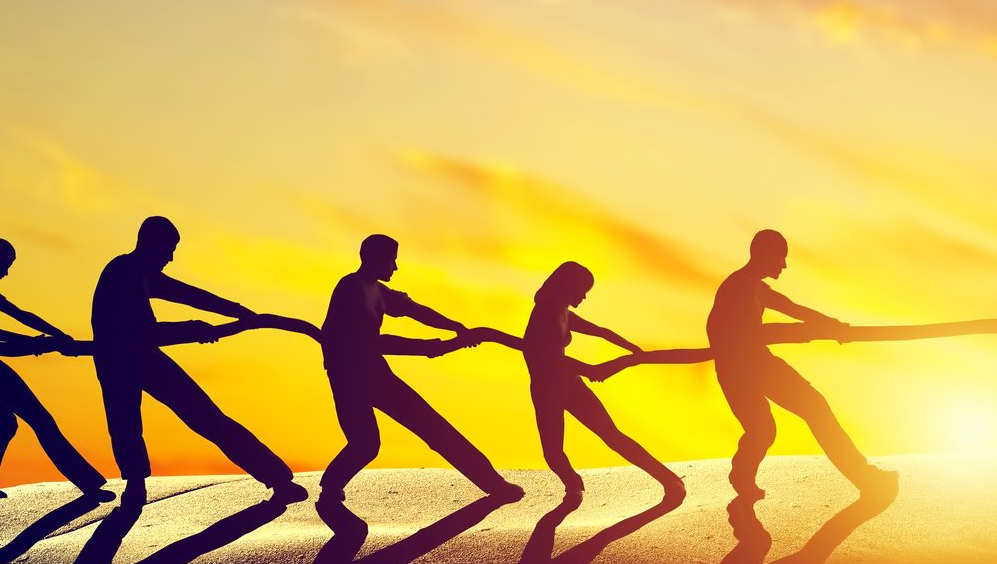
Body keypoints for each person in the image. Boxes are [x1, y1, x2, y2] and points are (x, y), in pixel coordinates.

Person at [90, 215, 304, 503]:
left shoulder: (141, 273)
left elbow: (190, 294)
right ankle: (135, 486)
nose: (171, 257)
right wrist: (193, 329)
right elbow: (139, 332)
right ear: (150, 243)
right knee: (126, 424)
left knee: (206, 416)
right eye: (168, 248)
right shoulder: (124, 272)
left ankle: (277, 477)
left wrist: (237, 311)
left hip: (143, 356)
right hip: (117, 361)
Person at [317, 234, 520, 504]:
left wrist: (455, 327)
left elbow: (415, 310)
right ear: (377, 259)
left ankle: (493, 483)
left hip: (375, 373)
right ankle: (331, 486)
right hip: (349, 379)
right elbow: (366, 342)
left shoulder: (378, 292)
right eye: (392, 261)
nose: (395, 268)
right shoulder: (350, 288)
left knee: (432, 425)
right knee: (365, 445)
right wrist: (429, 347)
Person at [708, 230, 894, 502]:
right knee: (762, 431)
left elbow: (795, 309)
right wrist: (809, 332)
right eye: (780, 258)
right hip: (738, 371)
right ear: (764, 255)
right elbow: (755, 334)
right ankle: (742, 476)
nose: (783, 265)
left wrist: (833, 326)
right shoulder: (737, 287)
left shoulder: (756, 287)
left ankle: (864, 476)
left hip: (759, 363)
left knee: (812, 408)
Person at [0, 238, 109, 501]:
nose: (6, 273)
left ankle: (88, 483)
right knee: (6, 423)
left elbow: (21, 315)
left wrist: (58, 336)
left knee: (39, 420)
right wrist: (32, 344)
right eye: (5, 265)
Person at [519, 260, 683, 503]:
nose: (584, 296)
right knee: (554, 453)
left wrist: (633, 350)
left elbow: (600, 331)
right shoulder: (547, 311)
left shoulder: (562, 310)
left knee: (611, 436)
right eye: (582, 290)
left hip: (568, 385)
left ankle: (669, 479)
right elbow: (548, 358)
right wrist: (589, 370)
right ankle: (574, 484)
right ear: (568, 286)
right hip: (547, 388)